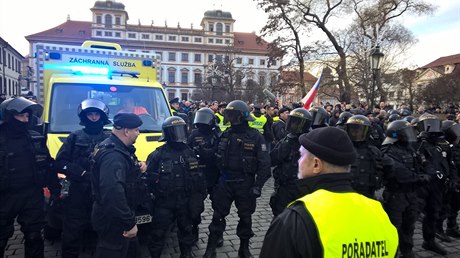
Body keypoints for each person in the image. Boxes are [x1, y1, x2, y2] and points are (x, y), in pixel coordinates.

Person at [260, 127, 399, 258]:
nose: (299, 161)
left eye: (301, 156)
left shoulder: (296, 218)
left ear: (316, 165)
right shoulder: (378, 212)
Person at [203, 100, 271, 258]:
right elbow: (214, 156)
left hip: (245, 183)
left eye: (232, 115)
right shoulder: (225, 134)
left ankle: (244, 249)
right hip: (225, 182)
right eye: (229, 114)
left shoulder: (255, 136)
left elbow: (265, 164)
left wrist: (258, 186)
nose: (229, 118)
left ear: (241, 117)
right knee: (217, 216)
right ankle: (210, 248)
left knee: (245, 217)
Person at [0, 97, 60, 258]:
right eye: (21, 116)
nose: (25, 120)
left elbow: (48, 165)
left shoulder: (35, 138)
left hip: (31, 194)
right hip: (5, 195)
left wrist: (55, 188)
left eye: (27, 116)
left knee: (34, 235)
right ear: (9, 116)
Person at [55, 99, 111, 258]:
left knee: (104, 236)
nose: (93, 118)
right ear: (84, 116)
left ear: (102, 117)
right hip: (77, 194)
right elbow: (60, 162)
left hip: (101, 194)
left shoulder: (110, 138)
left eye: (96, 115)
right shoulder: (74, 137)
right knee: (71, 236)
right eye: (90, 114)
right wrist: (81, 174)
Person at [146, 116, 204, 258]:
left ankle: (186, 254)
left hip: (185, 201)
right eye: (175, 131)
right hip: (164, 203)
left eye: (181, 130)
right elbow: (149, 180)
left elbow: (198, 176)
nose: (179, 135)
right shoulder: (157, 155)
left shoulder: (189, 152)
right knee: (158, 234)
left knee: (186, 231)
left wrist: (199, 197)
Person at [90, 113, 145, 258]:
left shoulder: (116, 147)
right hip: (114, 220)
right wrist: (128, 223)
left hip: (119, 215)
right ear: (126, 131)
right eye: (136, 130)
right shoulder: (113, 156)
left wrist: (136, 167)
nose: (138, 133)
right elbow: (112, 192)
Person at [381, 120, 426, 258]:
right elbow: (400, 173)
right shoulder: (388, 150)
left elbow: (419, 165)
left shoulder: (410, 149)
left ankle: (407, 251)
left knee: (409, 224)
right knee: (394, 227)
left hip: (411, 194)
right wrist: (418, 177)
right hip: (396, 195)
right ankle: (392, 253)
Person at [415, 114, 450, 255]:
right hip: (421, 185)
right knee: (411, 217)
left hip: (437, 186)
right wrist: (419, 142)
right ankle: (404, 247)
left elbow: (448, 162)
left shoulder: (441, 145)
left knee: (433, 214)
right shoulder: (416, 142)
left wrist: (450, 177)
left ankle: (429, 241)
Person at [270, 108, 312, 217]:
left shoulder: (311, 142)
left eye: (297, 123)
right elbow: (272, 159)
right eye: (292, 122)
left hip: (304, 188)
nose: (294, 126)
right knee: (280, 217)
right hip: (285, 186)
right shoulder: (286, 141)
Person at [188, 108, 221, 244]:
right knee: (194, 207)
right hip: (198, 175)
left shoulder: (217, 134)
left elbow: (221, 153)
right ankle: (194, 230)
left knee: (219, 207)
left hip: (213, 174)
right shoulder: (194, 133)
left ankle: (218, 234)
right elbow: (187, 149)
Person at [344, 115, 392, 199]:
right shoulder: (341, 149)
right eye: (353, 129)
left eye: (359, 129)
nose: (356, 132)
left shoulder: (374, 151)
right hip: (346, 193)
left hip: (368, 193)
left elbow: (386, 172)